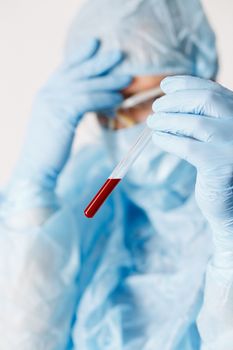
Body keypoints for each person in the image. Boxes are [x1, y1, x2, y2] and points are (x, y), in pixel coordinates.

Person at [0, 0, 231, 348]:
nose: (121, 129)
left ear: (199, 79)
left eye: (142, 102)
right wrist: (32, 187)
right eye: (106, 114)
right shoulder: (85, 184)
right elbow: (20, 335)